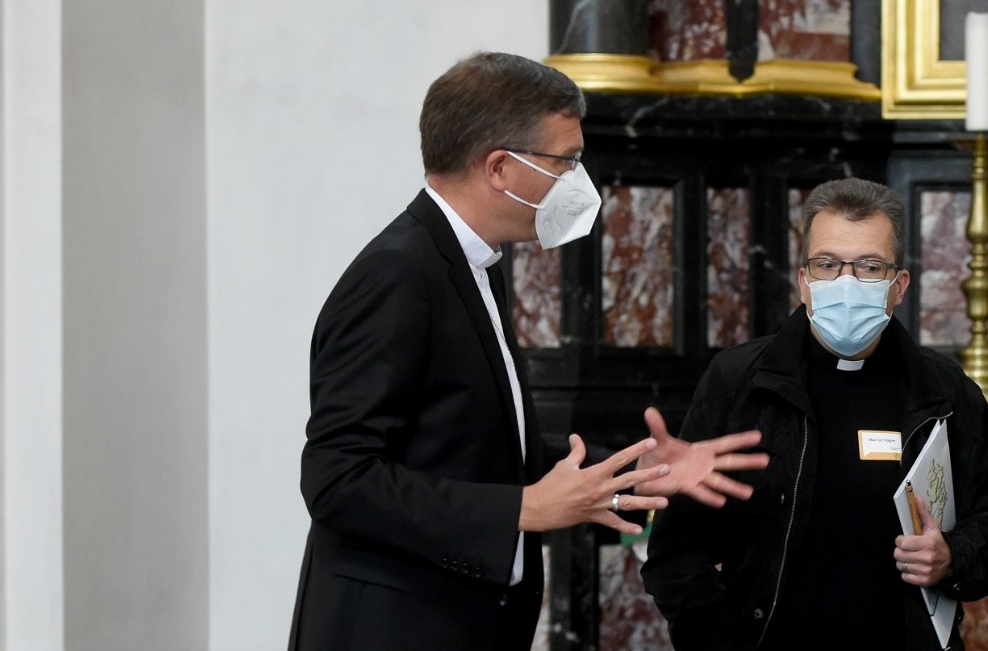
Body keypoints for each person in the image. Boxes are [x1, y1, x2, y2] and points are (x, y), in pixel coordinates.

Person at [290, 52, 767, 651]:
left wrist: (633, 471)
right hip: (393, 627)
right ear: (499, 168)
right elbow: (338, 480)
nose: (577, 181)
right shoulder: (397, 274)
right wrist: (522, 509)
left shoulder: (474, 264)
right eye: (565, 161)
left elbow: (471, 445)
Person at [641, 178, 988, 650]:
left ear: (897, 285)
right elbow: (676, 555)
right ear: (804, 281)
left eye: (868, 267)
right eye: (827, 264)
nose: (846, 282)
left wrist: (952, 558)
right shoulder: (738, 381)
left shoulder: (945, 392)